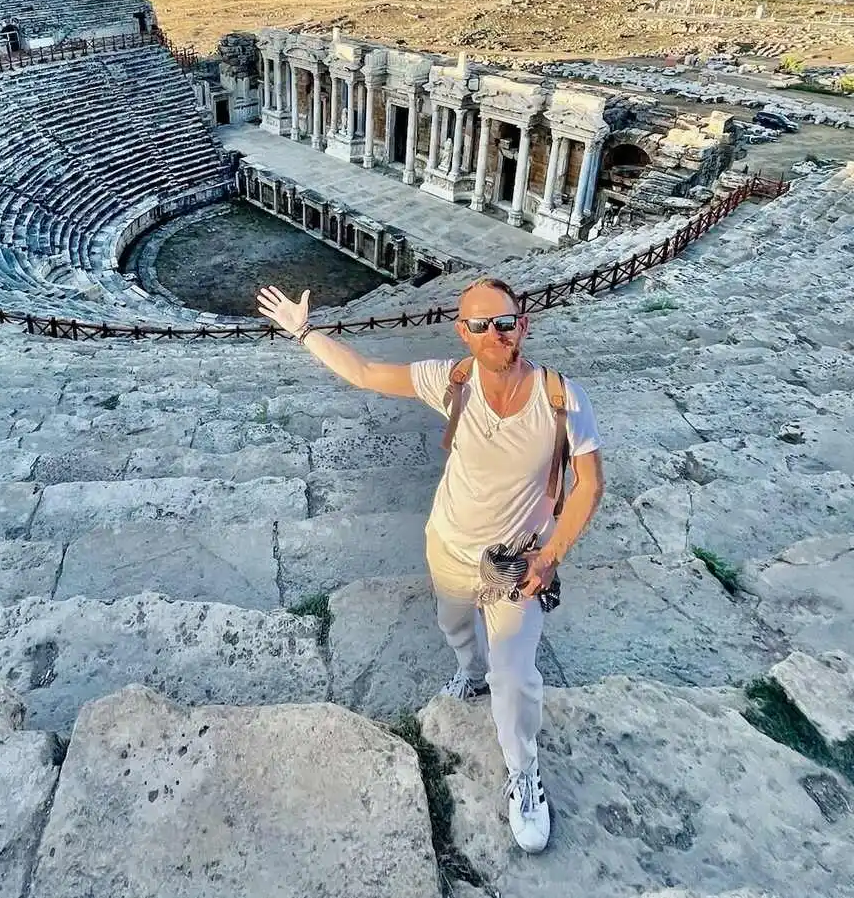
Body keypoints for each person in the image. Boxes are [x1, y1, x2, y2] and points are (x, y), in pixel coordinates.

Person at [256, 275, 605, 854]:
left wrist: (550, 554)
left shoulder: (562, 397)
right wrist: (306, 333)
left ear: (524, 324)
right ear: (462, 333)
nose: (495, 334)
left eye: (505, 321)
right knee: (453, 626)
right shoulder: (453, 380)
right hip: (447, 544)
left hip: (516, 566)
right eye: (480, 325)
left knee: (515, 675)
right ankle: (468, 670)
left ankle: (523, 771)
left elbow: (589, 485)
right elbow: (366, 374)